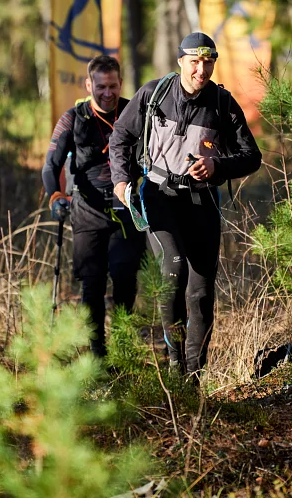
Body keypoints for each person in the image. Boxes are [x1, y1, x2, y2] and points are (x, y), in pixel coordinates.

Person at [109, 32, 262, 377]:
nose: (201, 69)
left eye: (208, 62)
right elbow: (120, 136)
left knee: (201, 292)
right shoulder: (153, 95)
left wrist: (217, 166)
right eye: (194, 61)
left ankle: (194, 373)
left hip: (202, 200)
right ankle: (175, 362)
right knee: (172, 270)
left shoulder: (222, 104)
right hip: (158, 195)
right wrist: (121, 180)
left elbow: (252, 156)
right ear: (180, 62)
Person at [43, 55, 145, 357]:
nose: (107, 93)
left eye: (113, 86)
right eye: (101, 87)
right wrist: (56, 196)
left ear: (121, 84)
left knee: (125, 279)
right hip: (87, 209)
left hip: (127, 208)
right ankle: (98, 353)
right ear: (89, 85)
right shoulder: (73, 118)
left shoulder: (134, 112)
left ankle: (124, 347)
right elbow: (51, 165)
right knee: (92, 284)